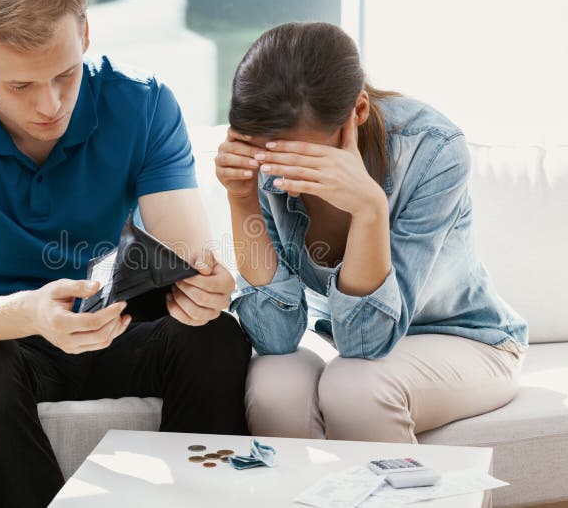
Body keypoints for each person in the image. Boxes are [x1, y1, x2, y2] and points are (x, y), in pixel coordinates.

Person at [0, 0, 250, 507]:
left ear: (85, 33)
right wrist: (31, 313)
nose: (50, 104)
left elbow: (185, 260)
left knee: (214, 337)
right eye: (21, 86)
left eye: (65, 74)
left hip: (116, 326)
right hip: (3, 339)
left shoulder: (142, 104)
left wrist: (202, 291)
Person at [217, 22, 528, 443]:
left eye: (303, 155)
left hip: (466, 338)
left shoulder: (432, 150)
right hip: (352, 347)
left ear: (358, 112)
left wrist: (368, 209)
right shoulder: (264, 153)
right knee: (275, 385)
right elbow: (275, 336)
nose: (281, 172)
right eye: (266, 153)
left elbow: (366, 343)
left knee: (355, 388)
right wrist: (241, 199)